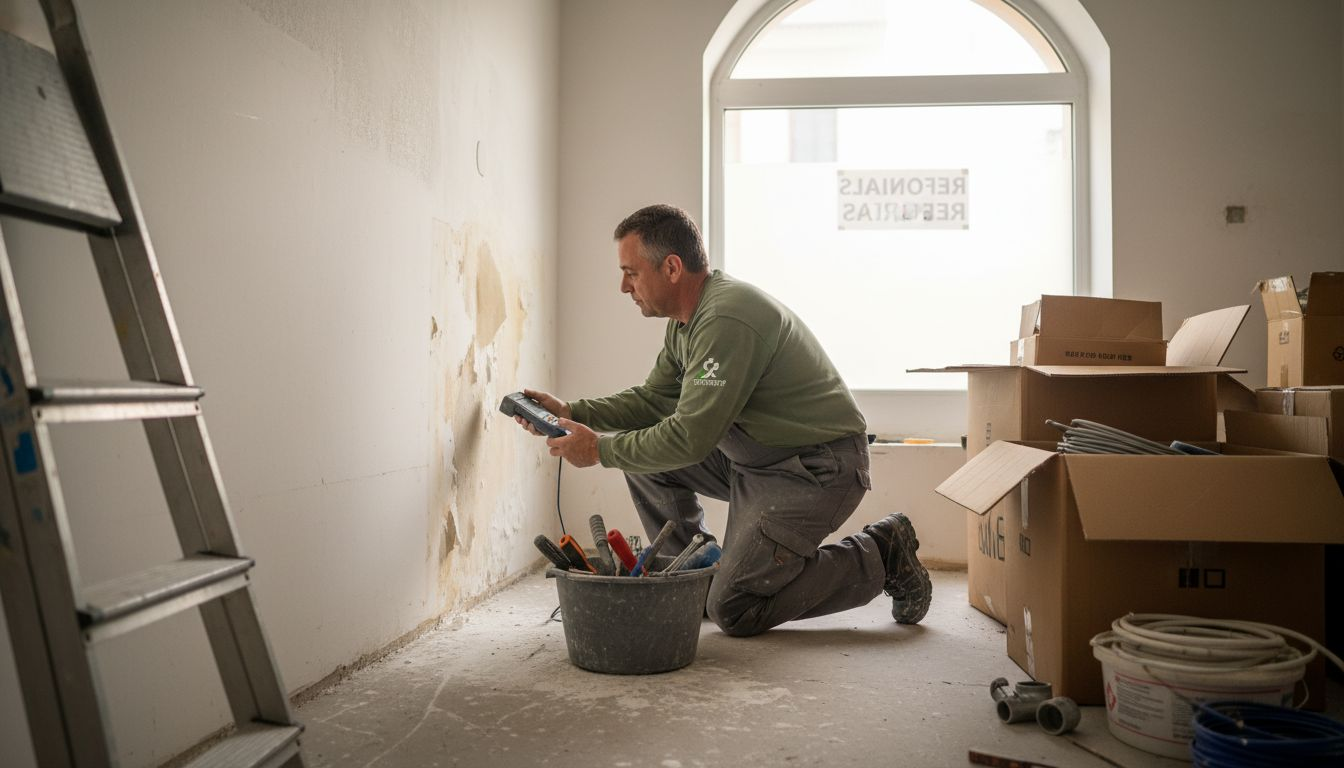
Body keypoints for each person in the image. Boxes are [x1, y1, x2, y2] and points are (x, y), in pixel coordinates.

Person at [514, 204, 931, 637]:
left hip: (816, 468)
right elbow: (656, 399)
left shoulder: (725, 319)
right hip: (755, 461)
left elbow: (689, 438)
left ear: (672, 267)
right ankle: (694, 575)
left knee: (734, 608)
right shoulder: (685, 322)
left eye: (631, 273)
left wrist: (598, 449)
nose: (623, 286)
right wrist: (572, 412)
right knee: (644, 460)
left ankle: (882, 554)